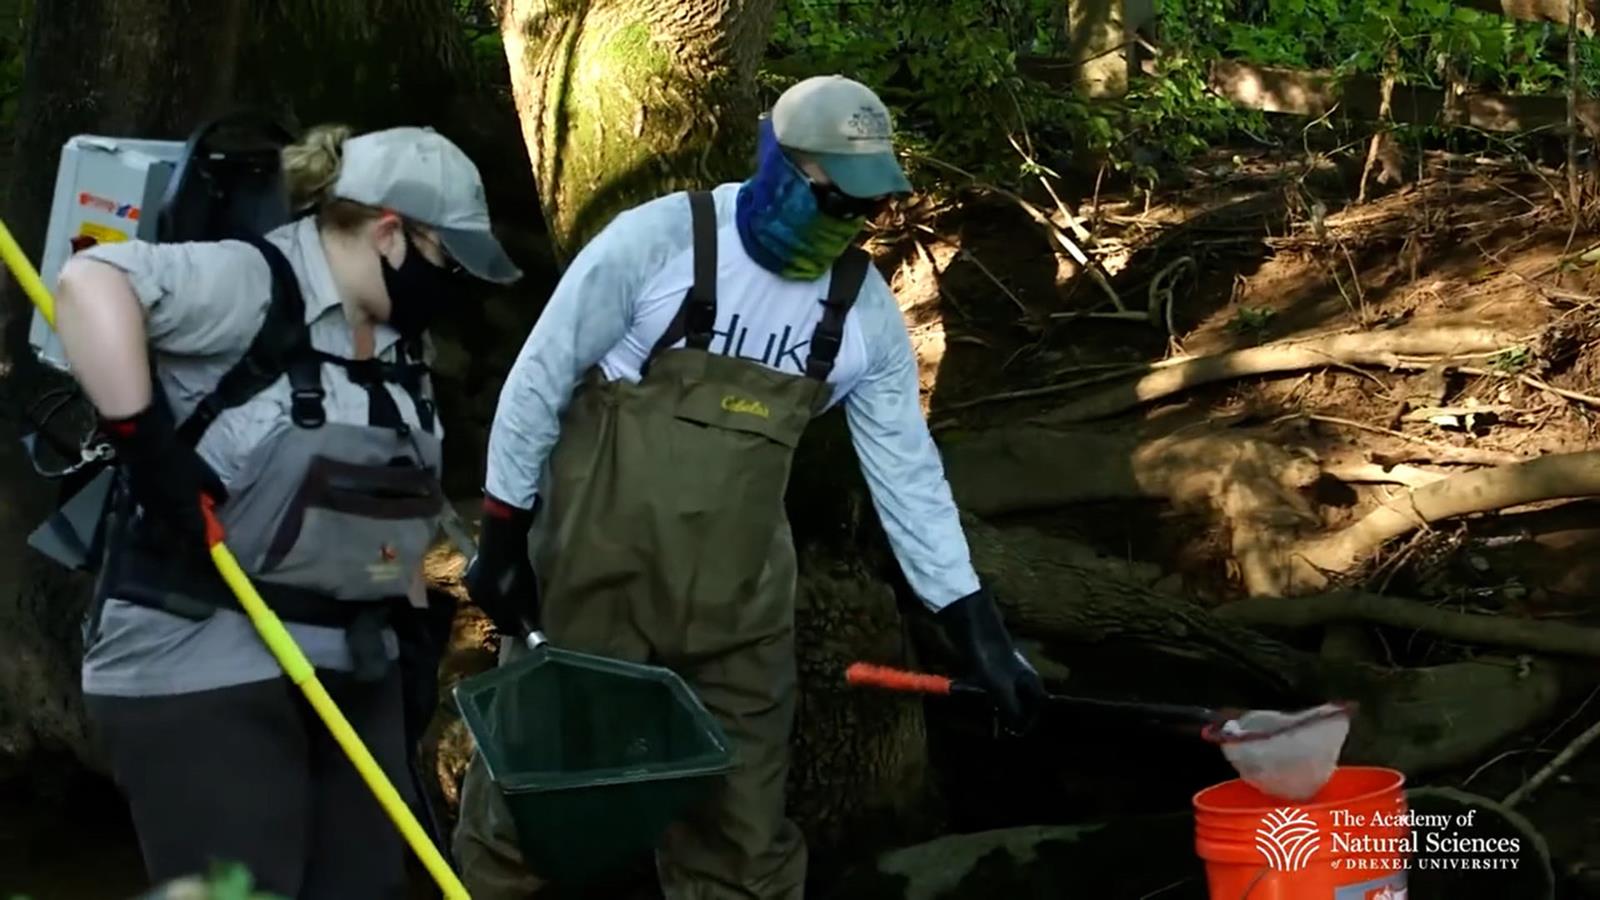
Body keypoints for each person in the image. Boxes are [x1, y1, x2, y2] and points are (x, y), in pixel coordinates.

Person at [453, 74, 1047, 898]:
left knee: (741, 838)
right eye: (833, 198)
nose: (848, 221)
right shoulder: (661, 242)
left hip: (738, 616)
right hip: (591, 592)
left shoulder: (860, 312)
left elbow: (908, 476)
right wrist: (502, 533)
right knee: (532, 813)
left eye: (865, 208)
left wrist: (975, 626)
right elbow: (539, 380)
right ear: (778, 163)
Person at [52, 122, 521, 899]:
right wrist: (150, 449)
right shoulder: (249, 281)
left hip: (351, 665)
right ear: (389, 233)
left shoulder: (402, 343)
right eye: (446, 258)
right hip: (202, 655)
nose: (453, 284)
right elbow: (87, 283)